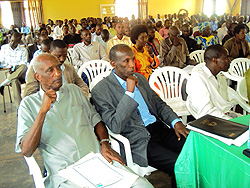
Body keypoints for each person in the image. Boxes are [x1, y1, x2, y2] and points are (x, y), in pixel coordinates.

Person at [15, 53, 153, 188]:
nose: (57, 74)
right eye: (50, 70)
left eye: (58, 68)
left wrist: (105, 143)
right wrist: (42, 112)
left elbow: (96, 119)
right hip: (66, 173)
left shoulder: (74, 91)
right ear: (37, 77)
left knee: (141, 184)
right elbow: (26, 150)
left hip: (97, 161)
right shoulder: (29, 105)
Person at [91, 44, 189, 188]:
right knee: (180, 164)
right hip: (139, 140)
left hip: (159, 129)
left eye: (133, 59)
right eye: (126, 61)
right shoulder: (101, 90)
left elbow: (158, 103)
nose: (132, 65)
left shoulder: (140, 78)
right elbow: (115, 126)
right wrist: (129, 93)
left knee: (195, 147)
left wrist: (175, 122)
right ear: (113, 64)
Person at [186, 44, 241, 120]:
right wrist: (229, 120)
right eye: (225, 58)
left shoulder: (219, 77)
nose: (229, 61)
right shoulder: (198, 79)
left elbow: (223, 106)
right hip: (211, 121)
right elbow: (206, 112)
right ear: (214, 60)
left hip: (223, 116)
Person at [23, 40, 89, 98]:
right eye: (58, 56)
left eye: (65, 55)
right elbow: (29, 94)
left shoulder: (69, 68)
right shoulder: (36, 69)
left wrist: (81, 98)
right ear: (49, 53)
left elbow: (82, 85)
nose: (62, 59)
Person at [0, 32, 28, 107]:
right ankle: (20, 108)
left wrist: (14, 67)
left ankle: (3, 84)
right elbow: (2, 62)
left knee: (24, 66)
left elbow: (24, 64)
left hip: (20, 71)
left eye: (14, 41)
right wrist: (9, 67)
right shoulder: (4, 48)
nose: (12, 43)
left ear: (19, 42)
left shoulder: (23, 50)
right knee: (15, 81)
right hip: (9, 70)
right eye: (11, 40)